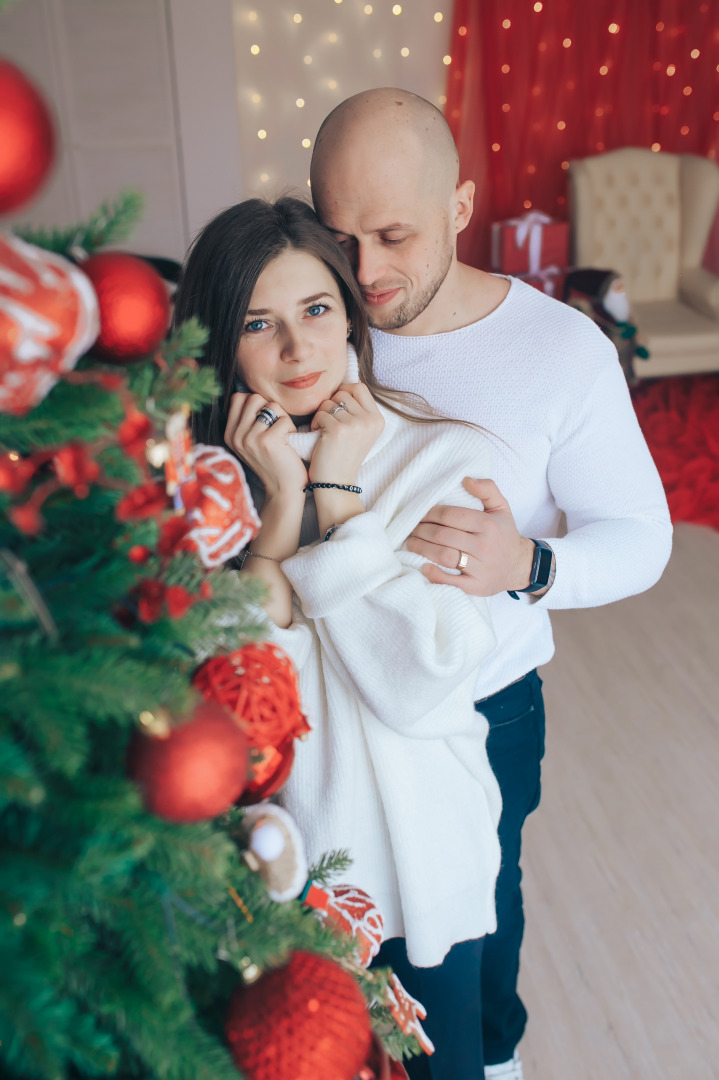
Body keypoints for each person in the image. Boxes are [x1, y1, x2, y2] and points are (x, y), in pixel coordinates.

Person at [309, 88, 673, 1080]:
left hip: (480, 717)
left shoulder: (560, 350)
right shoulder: (307, 325)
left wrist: (527, 566)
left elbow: (641, 538)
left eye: (392, 235)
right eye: (337, 237)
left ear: (461, 206)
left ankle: (494, 1054)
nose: (364, 273)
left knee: (478, 920)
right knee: (356, 942)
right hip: (331, 712)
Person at [173, 195, 507, 1080]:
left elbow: (418, 680)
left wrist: (339, 493)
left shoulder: (445, 457)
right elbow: (238, 697)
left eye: (317, 311)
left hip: (419, 858)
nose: (297, 349)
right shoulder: (201, 489)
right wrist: (282, 508)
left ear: (351, 321)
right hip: (289, 867)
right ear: (220, 344)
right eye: (259, 323)